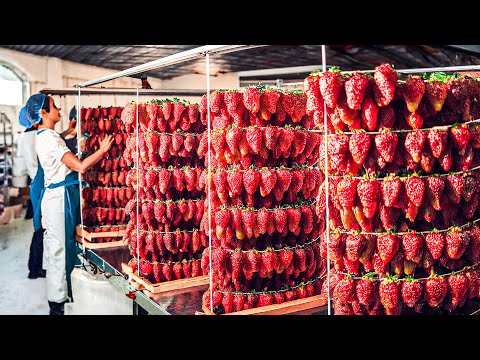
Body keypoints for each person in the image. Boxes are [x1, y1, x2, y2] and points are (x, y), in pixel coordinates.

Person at [19, 93, 113, 315]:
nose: (58, 109)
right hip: (58, 199)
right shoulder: (50, 139)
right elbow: (80, 166)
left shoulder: (43, 135)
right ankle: (57, 303)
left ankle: (58, 296)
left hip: (55, 196)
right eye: (53, 106)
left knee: (55, 248)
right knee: (58, 250)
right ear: (43, 113)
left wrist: (69, 131)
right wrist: (102, 150)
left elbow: (55, 139)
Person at [19, 106, 77, 280]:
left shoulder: (34, 135)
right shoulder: (35, 136)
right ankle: (35, 267)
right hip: (41, 180)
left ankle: (36, 267)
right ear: (38, 115)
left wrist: (68, 130)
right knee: (40, 228)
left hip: (41, 180)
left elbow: (54, 139)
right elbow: (51, 145)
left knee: (43, 228)